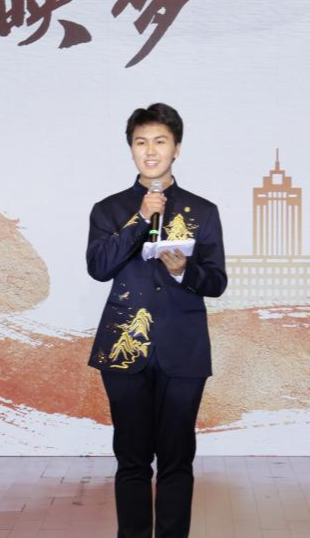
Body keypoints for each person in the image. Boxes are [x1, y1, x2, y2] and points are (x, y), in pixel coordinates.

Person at [86, 103, 227, 538]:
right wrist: (140, 220)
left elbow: (217, 281)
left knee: (177, 459)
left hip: (183, 350)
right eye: (141, 142)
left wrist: (184, 270)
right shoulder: (109, 210)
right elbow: (99, 267)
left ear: (176, 149)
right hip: (124, 346)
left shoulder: (203, 211)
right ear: (131, 149)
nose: (150, 151)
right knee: (131, 460)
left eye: (160, 142)